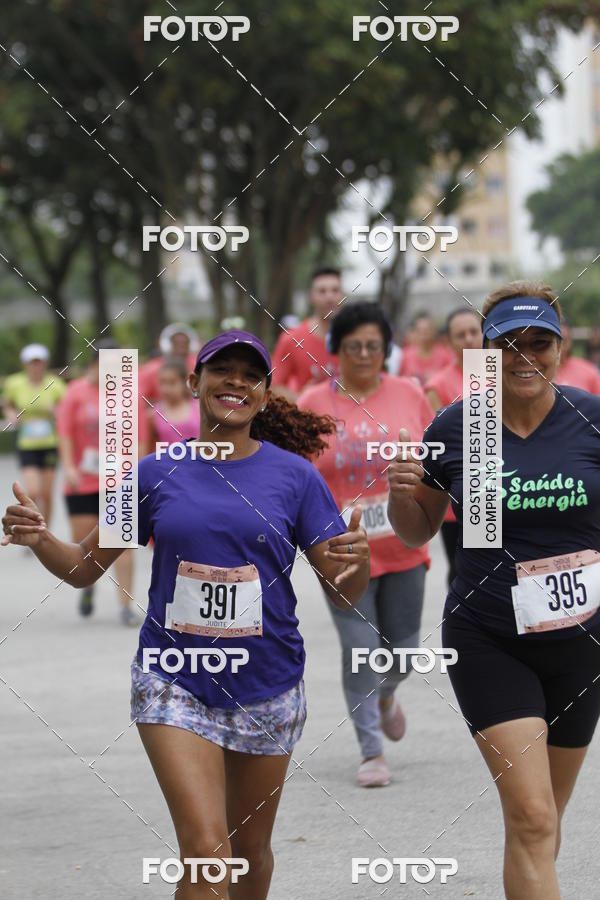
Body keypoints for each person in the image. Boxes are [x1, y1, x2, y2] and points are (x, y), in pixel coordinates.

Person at [2, 329, 369, 900]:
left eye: (251, 375)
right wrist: (40, 538)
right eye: (222, 370)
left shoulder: (296, 478)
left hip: (268, 684)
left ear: (264, 394)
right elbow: (83, 568)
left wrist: (357, 563)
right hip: (173, 680)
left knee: (249, 855)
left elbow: (343, 593)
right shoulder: (153, 474)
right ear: (195, 382)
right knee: (206, 852)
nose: (236, 382)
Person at [387, 280, 600, 900]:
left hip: (582, 644)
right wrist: (401, 495)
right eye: (508, 344)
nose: (524, 356)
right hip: (490, 640)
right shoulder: (460, 427)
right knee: (532, 816)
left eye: (540, 342)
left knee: (543, 823)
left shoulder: (590, 418)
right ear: (484, 352)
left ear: (561, 347)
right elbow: (417, 530)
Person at [298, 303, 433, 787]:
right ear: (336, 349)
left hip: (403, 543)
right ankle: (371, 749)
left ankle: (386, 695)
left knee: (404, 652)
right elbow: (299, 475)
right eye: (353, 345)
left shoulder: (409, 393)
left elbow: (432, 461)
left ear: (385, 349)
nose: (363, 354)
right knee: (360, 649)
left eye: (373, 345)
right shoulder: (312, 401)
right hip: (340, 549)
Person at [56, 342, 137, 625]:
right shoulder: (74, 392)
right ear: (94, 364)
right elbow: (64, 433)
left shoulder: (127, 394)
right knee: (85, 545)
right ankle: (88, 586)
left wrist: (137, 471)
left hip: (119, 479)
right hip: (83, 481)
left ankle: (126, 606)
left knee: (122, 544)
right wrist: (68, 466)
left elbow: (139, 435)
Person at [425, 307, 482, 585]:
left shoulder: (503, 374)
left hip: (503, 487)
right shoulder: (437, 386)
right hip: (457, 496)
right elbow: (438, 445)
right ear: (448, 341)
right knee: (463, 571)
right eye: (460, 335)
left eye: (474, 332)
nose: (469, 339)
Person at [2, 344, 66, 526]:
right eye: (32, 362)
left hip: (49, 443)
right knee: (33, 491)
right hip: (27, 443)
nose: (35, 366)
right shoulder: (14, 383)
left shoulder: (55, 384)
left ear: (45, 363)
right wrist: (11, 415)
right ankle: (34, 526)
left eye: (39, 362)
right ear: (25, 364)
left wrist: (56, 411)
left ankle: (46, 530)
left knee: (46, 493)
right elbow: (8, 404)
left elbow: (66, 408)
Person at [270, 267, 341, 401]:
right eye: (322, 291)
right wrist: (303, 398)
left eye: (335, 290)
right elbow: (272, 386)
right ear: (311, 296)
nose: (329, 297)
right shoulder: (292, 339)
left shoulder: (354, 340)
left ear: (342, 295)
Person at [141, 356, 200, 455]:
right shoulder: (152, 415)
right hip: (165, 464)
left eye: (172, 383)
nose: (166, 389)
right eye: (162, 382)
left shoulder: (200, 409)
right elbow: (148, 452)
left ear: (185, 382)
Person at [139, 323, 201, 405]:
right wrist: (158, 407)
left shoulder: (198, 365)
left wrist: (195, 397)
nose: (181, 347)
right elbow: (140, 396)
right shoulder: (152, 368)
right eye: (177, 343)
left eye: (184, 343)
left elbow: (200, 393)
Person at [400, 311, 454, 386]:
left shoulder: (445, 355)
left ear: (434, 331)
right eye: (420, 330)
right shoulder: (406, 354)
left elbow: (451, 380)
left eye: (427, 330)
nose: (424, 334)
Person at [555, 320, 600, 394]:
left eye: (565, 341)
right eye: (557, 342)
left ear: (570, 341)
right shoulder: (540, 373)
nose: (561, 348)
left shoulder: (589, 371)